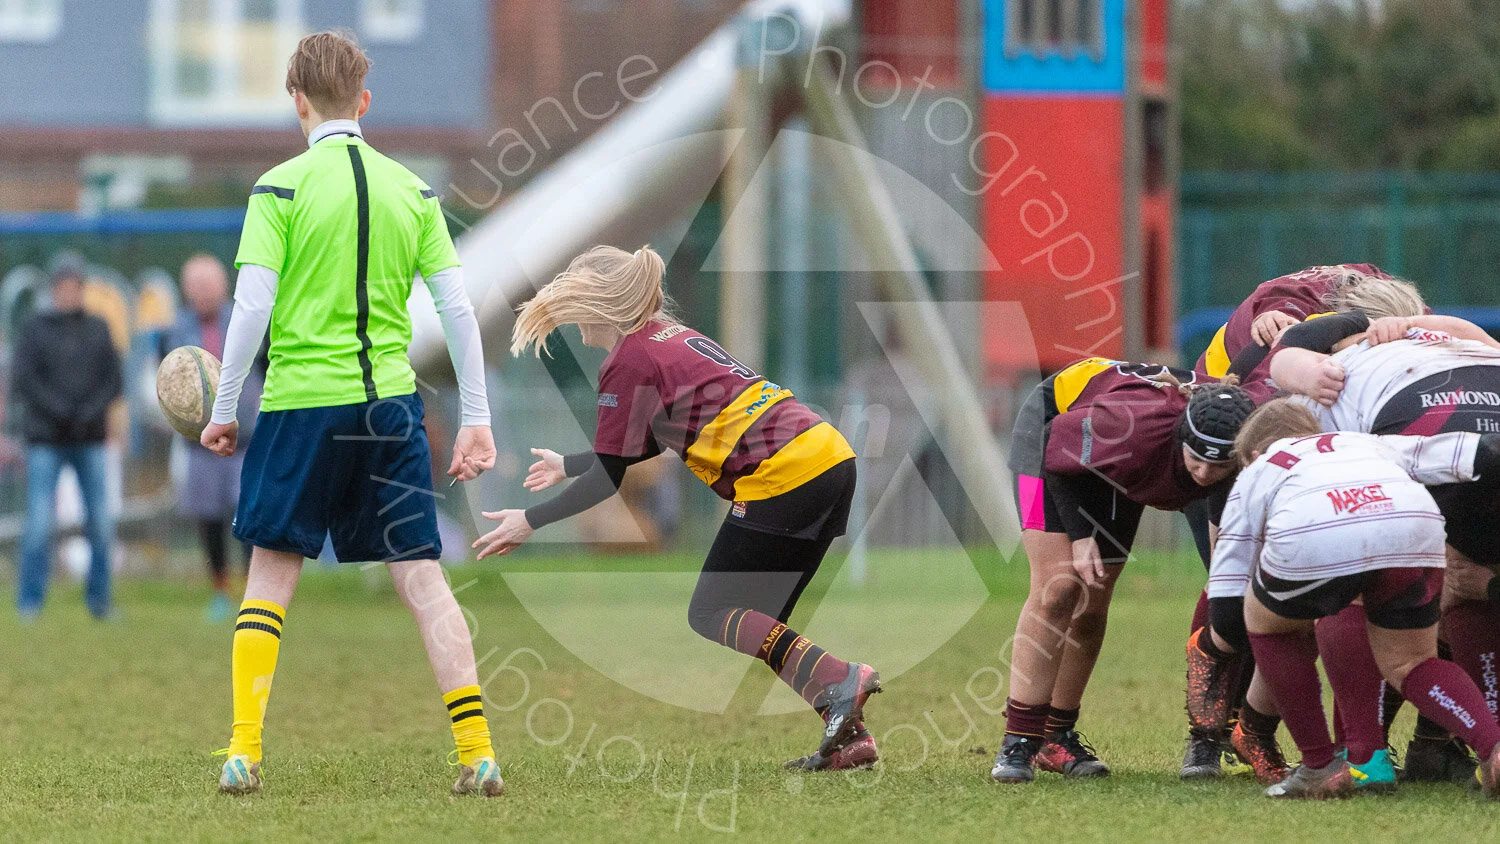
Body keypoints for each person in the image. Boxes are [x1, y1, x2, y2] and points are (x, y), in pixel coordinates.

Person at [198, 31, 500, 797]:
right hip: (388, 410)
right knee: (425, 581)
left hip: (302, 407)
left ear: (295, 101)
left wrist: (225, 408)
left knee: (270, 577)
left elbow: (250, 308)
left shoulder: (279, 188)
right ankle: (478, 754)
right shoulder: (415, 192)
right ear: (364, 102)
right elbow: (459, 309)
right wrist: (476, 418)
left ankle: (242, 752)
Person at [475, 244, 880, 772]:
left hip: (783, 473)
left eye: (575, 309)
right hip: (827, 457)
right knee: (763, 619)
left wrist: (528, 520)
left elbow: (609, 477)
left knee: (710, 611)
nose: (574, 325)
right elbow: (646, 443)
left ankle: (841, 679)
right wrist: (570, 463)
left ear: (601, 306)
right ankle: (849, 736)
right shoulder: (670, 338)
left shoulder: (628, 359)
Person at [1181, 266, 1429, 779]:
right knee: (1238, 610)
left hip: (1310, 461)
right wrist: (1277, 330)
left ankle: (1268, 734)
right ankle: (1205, 738)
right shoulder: (1295, 343)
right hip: (1233, 448)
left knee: (1329, 601)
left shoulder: (1399, 320)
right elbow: (1271, 316)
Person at [994, 356, 1275, 784]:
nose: (1203, 474)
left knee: (1093, 601)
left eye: (1218, 466)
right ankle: (1018, 741)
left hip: (1112, 458)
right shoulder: (1133, 433)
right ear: (1182, 437)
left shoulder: (1246, 449)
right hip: (1050, 439)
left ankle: (1058, 735)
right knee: (1059, 588)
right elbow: (1054, 446)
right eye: (1196, 460)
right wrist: (1080, 533)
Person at [1209, 399, 1500, 798]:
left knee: (1268, 627)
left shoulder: (1263, 467)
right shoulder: (1368, 443)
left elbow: (1229, 574)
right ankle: (1494, 747)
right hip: (1411, 522)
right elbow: (1476, 452)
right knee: (1412, 661)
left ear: (1254, 453)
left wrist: (1232, 625)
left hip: (1314, 527)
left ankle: (1319, 767)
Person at [1271, 311, 1500, 783]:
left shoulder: (1339, 371)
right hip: (1483, 428)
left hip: (1422, 432)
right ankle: (1491, 748)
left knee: (1357, 583)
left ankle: (1365, 756)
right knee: (1474, 587)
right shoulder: (1471, 343)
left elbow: (1284, 359)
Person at [11, 263, 123, 620]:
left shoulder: (98, 328)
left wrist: (89, 412)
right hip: (46, 439)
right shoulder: (35, 330)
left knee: (100, 523)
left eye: (75, 287)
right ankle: (30, 602)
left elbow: (113, 379)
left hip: (89, 439)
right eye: (63, 287)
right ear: (54, 291)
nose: (69, 294)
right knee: (39, 523)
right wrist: (60, 411)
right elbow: (25, 380)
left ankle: (100, 602)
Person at [165, 254, 264, 622]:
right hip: (199, 445)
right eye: (195, 285)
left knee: (249, 516)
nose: (202, 292)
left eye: (209, 284)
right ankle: (220, 591)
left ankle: (256, 592)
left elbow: (266, 366)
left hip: (246, 440)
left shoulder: (246, 320)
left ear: (224, 286)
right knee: (208, 519)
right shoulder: (176, 330)